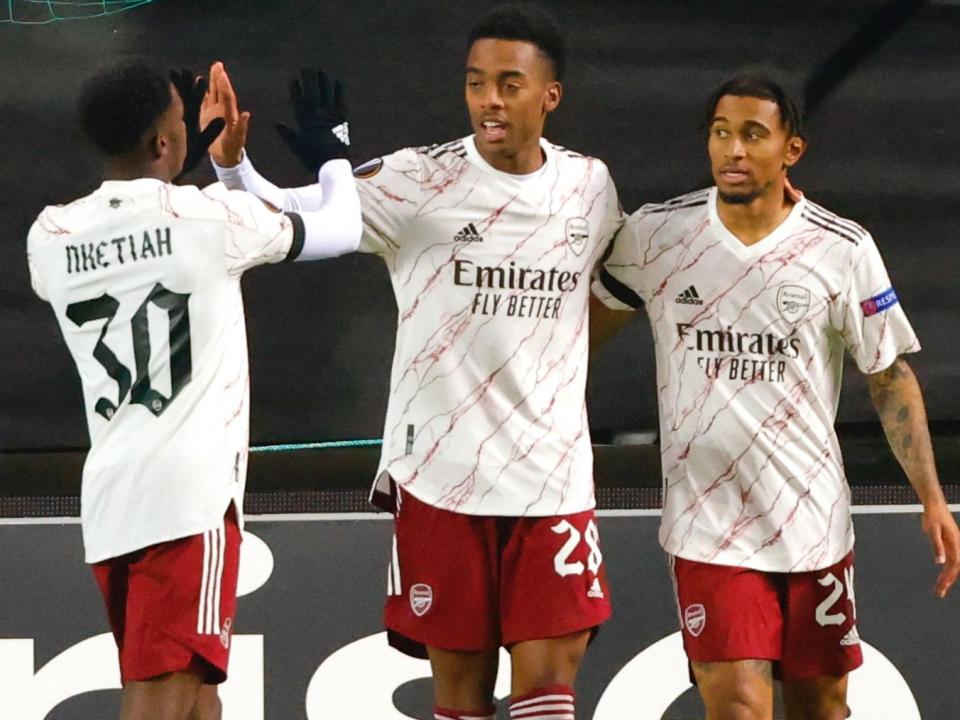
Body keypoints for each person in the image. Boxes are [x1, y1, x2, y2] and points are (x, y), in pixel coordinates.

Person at [210, 5, 623, 718]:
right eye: (475, 83)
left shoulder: (590, 185)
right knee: (458, 700)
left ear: (549, 96)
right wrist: (232, 165)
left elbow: (618, 288)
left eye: (509, 84)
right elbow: (288, 220)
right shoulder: (416, 180)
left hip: (550, 482)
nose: (489, 100)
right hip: (443, 478)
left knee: (547, 696)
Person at [591, 73, 960, 719]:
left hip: (811, 524)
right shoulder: (656, 236)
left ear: (791, 151)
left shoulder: (841, 248)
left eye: (752, 134)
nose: (732, 149)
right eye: (720, 132)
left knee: (821, 706)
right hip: (709, 529)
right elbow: (582, 314)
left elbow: (890, 376)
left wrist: (932, 498)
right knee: (736, 705)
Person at [26, 60, 360, 720]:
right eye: (178, 124)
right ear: (161, 144)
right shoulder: (211, 219)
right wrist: (332, 156)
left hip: (115, 501)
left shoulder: (50, 237)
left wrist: (192, 161)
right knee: (161, 700)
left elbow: (143, 232)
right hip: (189, 503)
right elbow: (343, 227)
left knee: (197, 697)